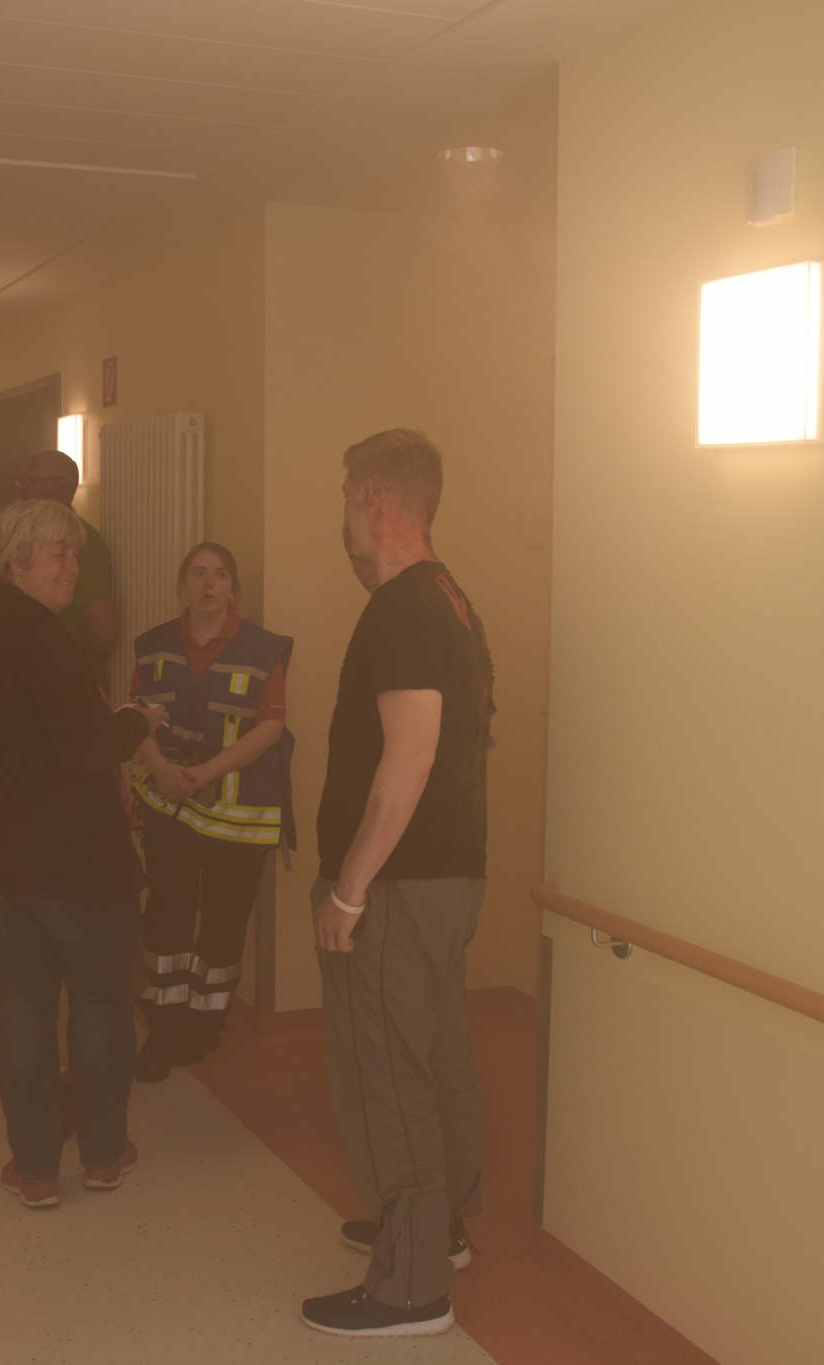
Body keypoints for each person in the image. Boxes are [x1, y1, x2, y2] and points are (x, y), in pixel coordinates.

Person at [300, 429, 495, 1340]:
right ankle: (438, 1228)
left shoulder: (403, 609)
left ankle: (411, 1285)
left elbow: (409, 757)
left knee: (390, 1073)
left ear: (374, 498)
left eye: (348, 497)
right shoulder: (450, 600)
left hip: (398, 888)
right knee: (438, 1054)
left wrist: (349, 889)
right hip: (447, 878)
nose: (343, 516)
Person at [0, 498, 167, 1210]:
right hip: (71, 863)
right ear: (16, 559)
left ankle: (36, 1169)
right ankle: (102, 1155)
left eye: (75, 552)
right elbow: (88, 745)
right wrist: (137, 720)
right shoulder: (42, 636)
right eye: (58, 553)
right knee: (98, 1002)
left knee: (22, 1006)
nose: (72, 566)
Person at [127, 542, 292, 1081]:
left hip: (238, 813)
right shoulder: (152, 645)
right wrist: (160, 768)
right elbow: (135, 716)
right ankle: (165, 1022)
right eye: (198, 573)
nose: (208, 583)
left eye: (219, 575)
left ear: (232, 588)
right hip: (169, 804)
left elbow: (271, 727)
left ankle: (205, 1021)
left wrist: (204, 773)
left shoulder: (263, 649)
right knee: (167, 911)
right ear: (183, 584)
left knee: (224, 919)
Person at [15, 450, 117, 676]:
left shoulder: (81, 541)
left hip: (65, 673)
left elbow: (103, 631)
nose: (21, 489)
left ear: (61, 486)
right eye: (19, 481)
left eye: (30, 481)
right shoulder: (26, 538)